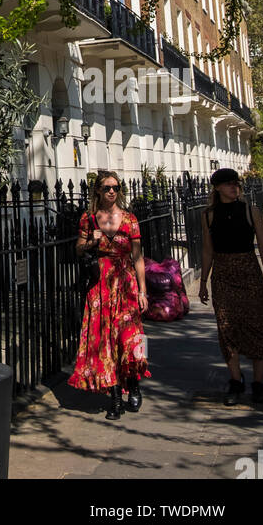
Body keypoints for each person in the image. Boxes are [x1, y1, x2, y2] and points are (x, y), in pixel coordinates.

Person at [69, 169, 150, 419]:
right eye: (107, 187)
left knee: (131, 338)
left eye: (115, 187)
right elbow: (78, 250)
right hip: (101, 285)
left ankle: (134, 384)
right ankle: (115, 396)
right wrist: (91, 241)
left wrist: (143, 291)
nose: (112, 191)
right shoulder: (89, 219)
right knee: (105, 341)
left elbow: (137, 257)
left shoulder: (129, 219)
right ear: (98, 191)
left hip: (126, 284)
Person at [199, 168, 263, 405]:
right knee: (226, 328)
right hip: (222, 275)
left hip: (249, 273)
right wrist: (202, 281)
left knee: (256, 326)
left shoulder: (251, 211)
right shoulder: (209, 215)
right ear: (218, 188)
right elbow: (208, 249)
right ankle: (235, 380)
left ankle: (258, 383)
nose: (235, 188)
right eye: (230, 184)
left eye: (237, 184)